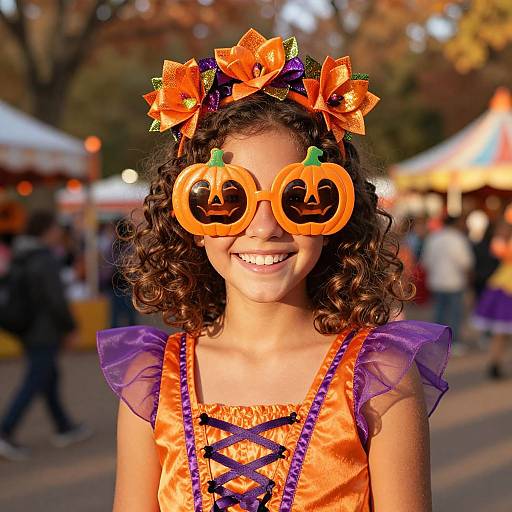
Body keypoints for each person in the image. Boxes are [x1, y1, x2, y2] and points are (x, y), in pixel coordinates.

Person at [97, 29, 451, 511]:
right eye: (225, 199)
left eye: (301, 198)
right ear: (188, 218)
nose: (263, 229)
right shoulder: (153, 378)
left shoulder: (378, 375)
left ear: (338, 213)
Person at [0, 210, 92, 461]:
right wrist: (70, 327)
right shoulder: (43, 259)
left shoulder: (21, 255)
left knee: (48, 376)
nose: (58, 235)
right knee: (36, 379)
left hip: (28, 328)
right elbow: (55, 300)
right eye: (55, 230)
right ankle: (5, 430)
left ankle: (64, 426)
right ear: (46, 231)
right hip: (43, 330)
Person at [421, 215, 474, 354]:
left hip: (436, 281)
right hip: (455, 281)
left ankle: (438, 340)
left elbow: (425, 261)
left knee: (439, 312)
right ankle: (454, 342)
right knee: (455, 313)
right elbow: (465, 262)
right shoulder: (458, 238)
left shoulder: (433, 238)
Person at [472, 220, 512, 379]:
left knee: (500, 333)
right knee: (500, 332)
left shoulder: (499, 243)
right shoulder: (500, 244)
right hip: (504, 286)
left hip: (501, 284)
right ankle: (495, 363)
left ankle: (495, 363)